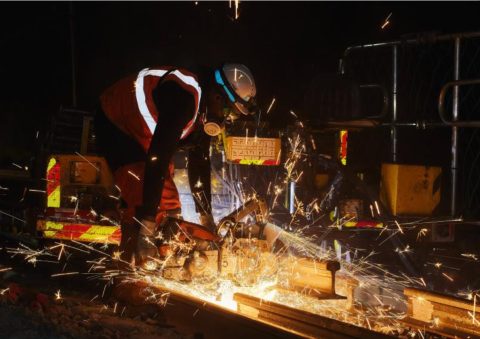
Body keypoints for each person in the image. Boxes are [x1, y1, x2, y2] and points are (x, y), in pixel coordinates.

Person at [95, 63, 258, 265]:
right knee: (146, 198)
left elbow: (200, 162)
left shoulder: (204, 114)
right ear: (217, 97)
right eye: (228, 112)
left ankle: (165, 263)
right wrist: (147, 226)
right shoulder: (183, 99)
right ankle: (130, 272)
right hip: (116, 122)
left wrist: (206, 218)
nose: (226, 119)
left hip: (145, 137)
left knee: (170, 207)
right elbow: (158, 158)